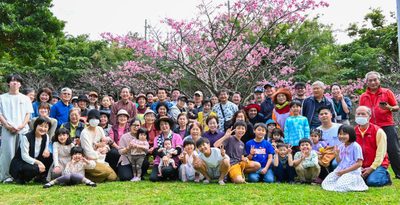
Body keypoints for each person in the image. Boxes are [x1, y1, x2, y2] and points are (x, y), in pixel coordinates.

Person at [359, 71, 400, 179]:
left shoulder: (387, 92)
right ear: (366, 82)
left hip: (387, 125)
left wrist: (389, 108)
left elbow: (396, 107)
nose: (373, 82)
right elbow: (361, 111)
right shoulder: (363, 96)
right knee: (372, 150)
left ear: (379, 80)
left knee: (393, 149)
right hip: (371, 127)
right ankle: (372, 170)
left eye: (375, 80)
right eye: (370, 80)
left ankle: (398, 173)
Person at [0, 74, 33, 182]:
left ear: (20, 84)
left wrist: (22, 125)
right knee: (7, 153)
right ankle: (6, 176)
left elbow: (28, 114)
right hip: (7, 129)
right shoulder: (2, 98)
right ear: (8, 83)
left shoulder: (25, 98)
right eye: (12, 81)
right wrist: (7, 125)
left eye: (17, 81)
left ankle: (20, 175)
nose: (15, 83)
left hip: (22, 129)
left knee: (22, 153)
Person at [322, 125, 368, 192]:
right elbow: (339, 161)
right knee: (325, 183)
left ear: (351, 134)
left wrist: (344, 171)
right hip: (340, 170)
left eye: (344, 134)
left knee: (341, 187)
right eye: (340, 134)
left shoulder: (356, 146)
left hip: (352, 172)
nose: (341, 136)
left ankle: (356, 183)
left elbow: (359, 164)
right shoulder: (341, 146)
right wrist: (337, 155)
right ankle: (340, 182)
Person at [354, 106, 391, 186]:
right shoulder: (353, 132)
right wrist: (358, 167)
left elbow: (381, 154)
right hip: (360, 165)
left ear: (369, 117)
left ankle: (386, 177)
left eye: (363, 114)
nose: (360, 116)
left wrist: (371, 168)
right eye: (358, 114)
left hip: (377, 165)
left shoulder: (378, 131)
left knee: (373, 182)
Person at [9, 117, 52, 184]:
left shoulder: (46, 136)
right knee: (34, 168)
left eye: (46, 127)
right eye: (41, 126)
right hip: (22, 162)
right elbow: (24, 156)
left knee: (50, 157)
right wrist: (39, 163)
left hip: (34, 160)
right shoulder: (26, 137)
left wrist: (47, 150)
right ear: (35, 126)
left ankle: (40, 177)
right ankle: (20, 178)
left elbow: (46, 149)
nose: (43, 129)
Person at [80, 109, 117, 183]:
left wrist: (106, 148)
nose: (94, 120)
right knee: (107, 172)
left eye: (96, 118)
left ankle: (90, 176)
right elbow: (89, 153)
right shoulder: (84, 133)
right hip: (89, 160)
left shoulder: (100, 129)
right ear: (88, 119)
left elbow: (105, 144)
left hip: (101, 160)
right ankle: (83, 176)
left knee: (113, 177)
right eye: (92, 118)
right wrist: (99, 151)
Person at [149, 116, 183, 182]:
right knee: (153, 178)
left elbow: (178, 149)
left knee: (166, 170)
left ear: (169, 125)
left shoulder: (176, 136)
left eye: (166, 124)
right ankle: (168, 176)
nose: (164, 126)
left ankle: (170, 174)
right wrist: (164, 156)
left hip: (172, 162)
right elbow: (156, 150)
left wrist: (168, 156)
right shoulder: (157, 138)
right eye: (161, 124)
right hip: (159, 162)